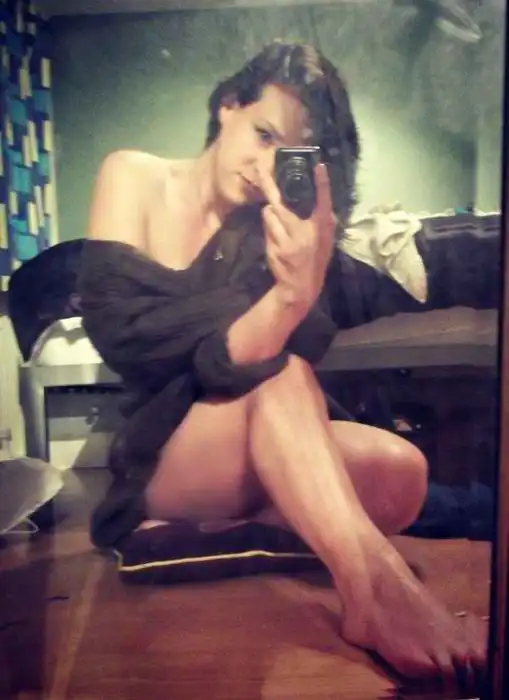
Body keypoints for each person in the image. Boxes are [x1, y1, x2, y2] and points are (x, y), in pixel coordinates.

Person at [81, 41, 486, 683]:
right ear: (228, 107)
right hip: (161, 451)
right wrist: (271, 310)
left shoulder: (268, 229)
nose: (266, 168)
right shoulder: (133, 175)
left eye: (289, 154)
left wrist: (298, 290)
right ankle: (373, 589)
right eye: (263, 134)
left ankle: (230, 531)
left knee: (402, 473)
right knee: (283, 375)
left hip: (242, 439)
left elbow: (230, 360)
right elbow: (120, 334)